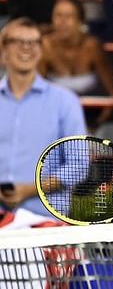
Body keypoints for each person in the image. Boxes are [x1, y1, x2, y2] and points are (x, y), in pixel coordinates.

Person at [0, 17, 86, 218]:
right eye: (18, 41)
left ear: (41, 50)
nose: (26, 48)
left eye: (34, 42)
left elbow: (79, 165)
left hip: (45, 223)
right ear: (3, 51)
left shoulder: (65, 101)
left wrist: (32, 189)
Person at [38, 0, 113, 131]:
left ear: (80, 21)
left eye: (68, 16)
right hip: (55, 120)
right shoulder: (45, 47)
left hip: (94, 121)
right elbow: (36, 93)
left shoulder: (93, 47)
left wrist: (94, 127)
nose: (62, 22)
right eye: (58, 16)